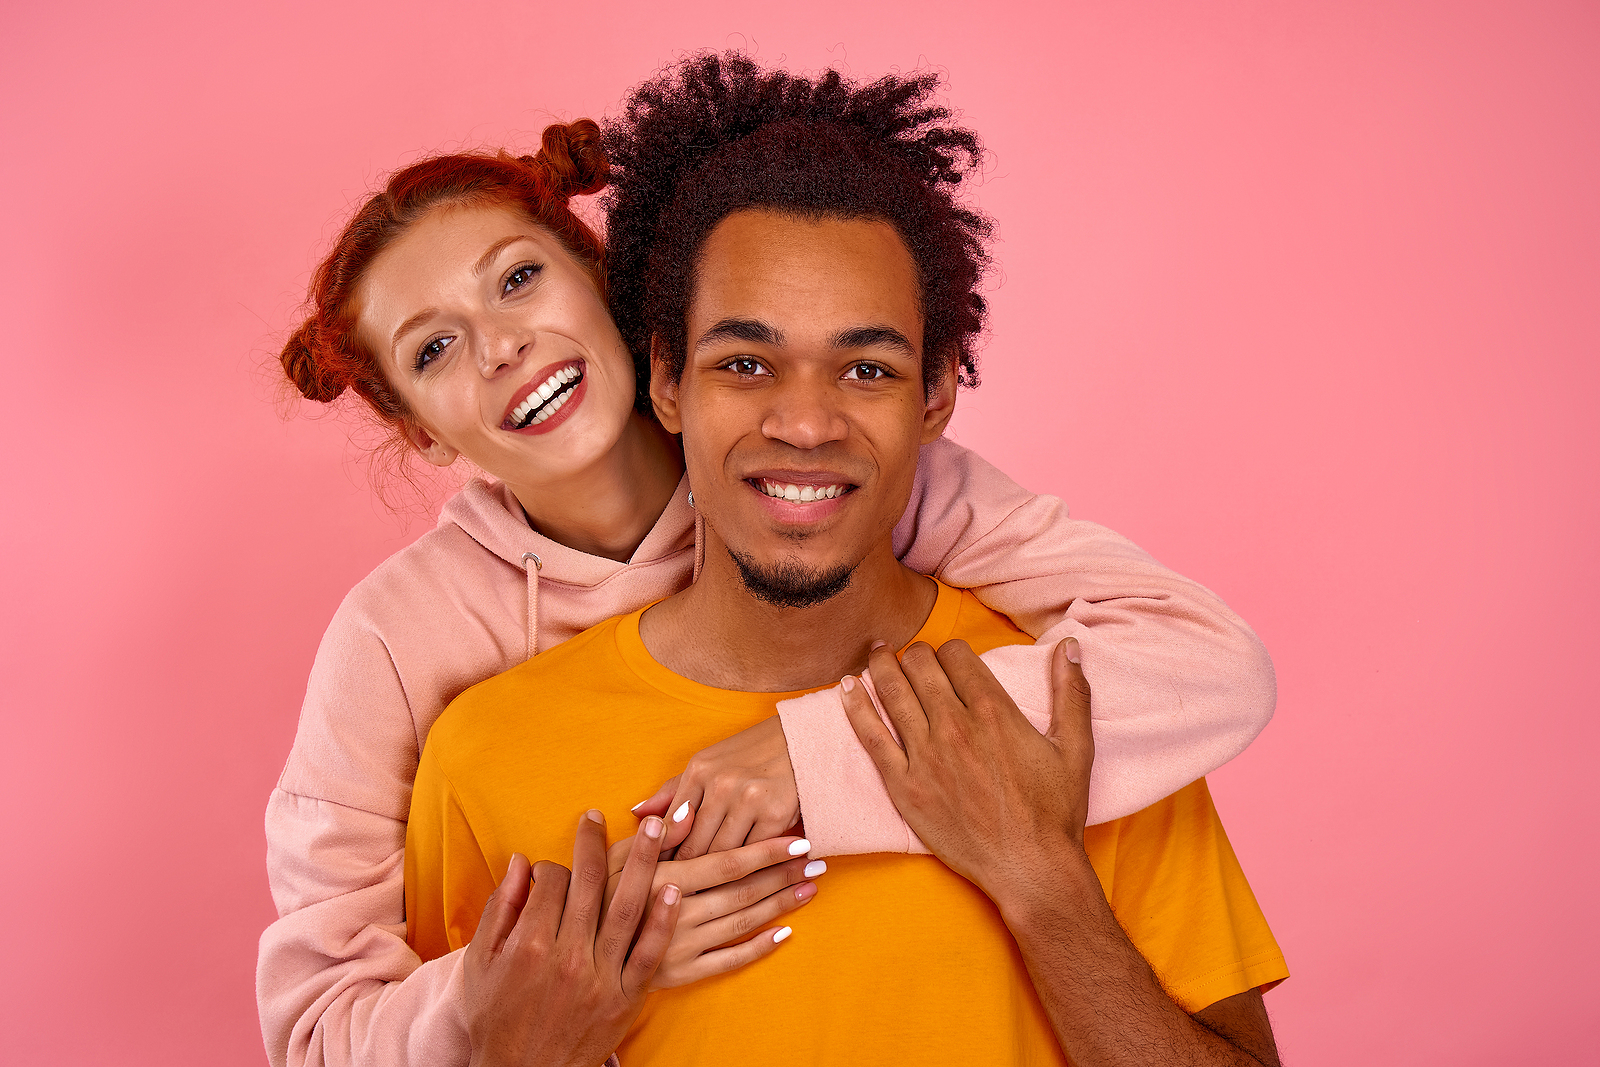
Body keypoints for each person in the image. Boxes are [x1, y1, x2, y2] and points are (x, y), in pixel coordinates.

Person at [260, 61, 1277, 1067]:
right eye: (433, 348)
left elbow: (1206, 660)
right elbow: (320, 1021)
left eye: (518, 280)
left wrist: (827, 757)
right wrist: (540, 980)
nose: (802, 424)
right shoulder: (421, 668)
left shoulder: (969, 590)